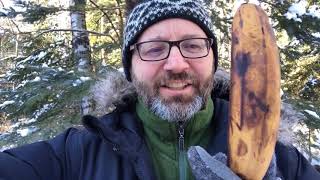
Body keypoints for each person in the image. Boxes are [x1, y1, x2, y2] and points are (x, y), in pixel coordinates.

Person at [1, 0, 319, 179]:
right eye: (154, 49)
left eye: (193, 46)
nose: (177, 64)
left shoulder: (282, 163)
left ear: (213, 58)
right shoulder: (78, 156)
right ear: (130, 66)